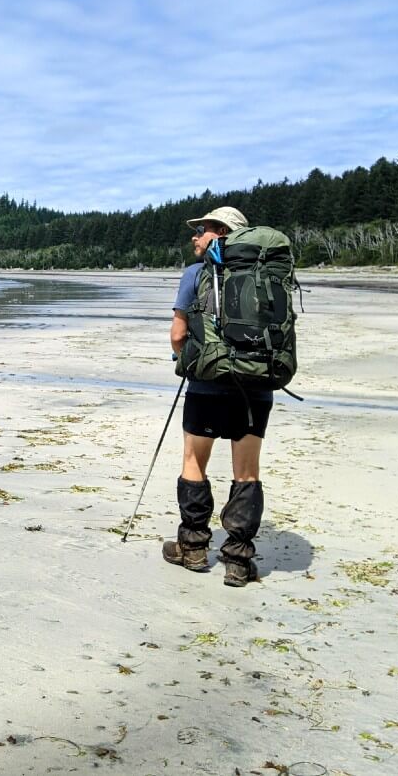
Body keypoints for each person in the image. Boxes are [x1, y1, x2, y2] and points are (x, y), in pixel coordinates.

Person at [163, 206, 269, 587]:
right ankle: (238, 561)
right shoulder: (267, 275)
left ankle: (192, 549)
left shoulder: (196, 274)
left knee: (194, 460)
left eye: (203, 230)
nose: (195, 237)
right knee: (247, 472)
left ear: (222, 233)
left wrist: (185, 360)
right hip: (256, 386)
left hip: (207, 384)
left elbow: (177, 335)